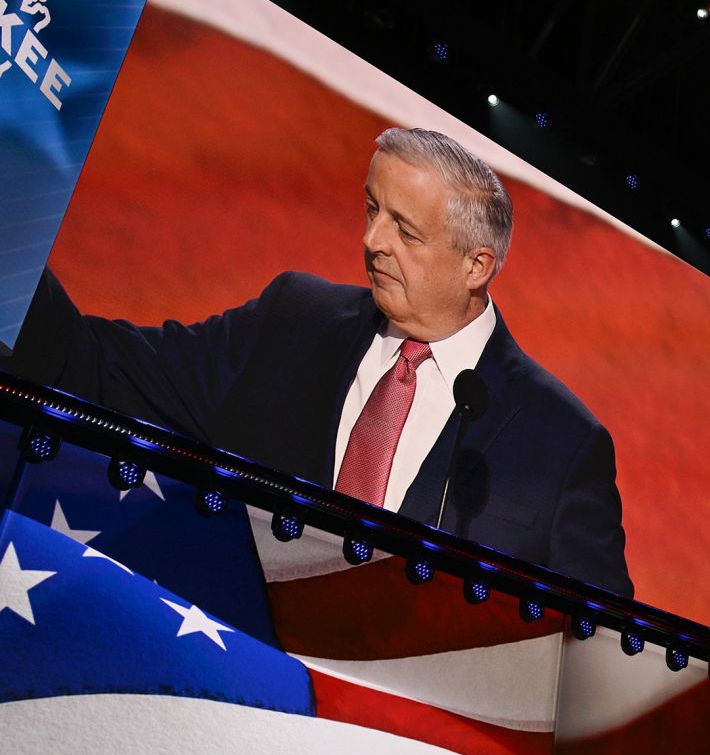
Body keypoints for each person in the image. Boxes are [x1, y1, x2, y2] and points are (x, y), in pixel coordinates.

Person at [13, 128, 632, 596]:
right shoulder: (293, 322)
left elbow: (592, 661)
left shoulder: (562, 443)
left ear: (476, 266)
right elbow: (99, 366)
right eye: (372, 210)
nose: (371, 241)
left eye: (405, 231)